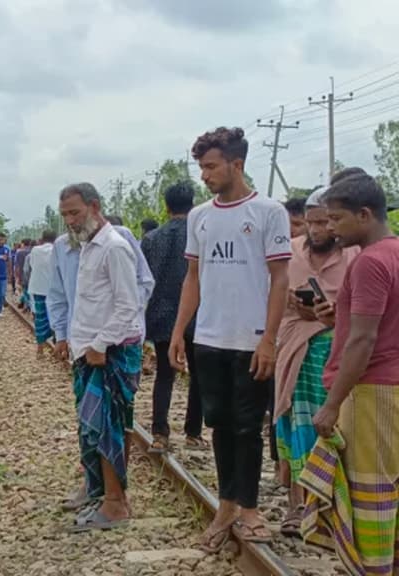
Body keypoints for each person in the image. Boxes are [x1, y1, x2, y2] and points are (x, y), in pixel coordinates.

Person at [169, 127, 291, 550]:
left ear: (236, 165)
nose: (204, 175)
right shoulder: (201, 217)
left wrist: (270, 339)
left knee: (248, 427)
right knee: (219, 423)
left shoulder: (268, 212)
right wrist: (180, 331)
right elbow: (194, 277)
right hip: (210, 337)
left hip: (252, 339)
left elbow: (280, 280)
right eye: (201, 167)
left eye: (210, 166)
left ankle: (251, 508)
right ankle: (226, 505)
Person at [302, 169, 399, 573]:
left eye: (336, 219)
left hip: (369, 392)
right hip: (391, 388)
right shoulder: (394, 252)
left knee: (369, 493)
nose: (330, 228)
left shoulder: (369, 264)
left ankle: (372, 568)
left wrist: (331, 404)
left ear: (364, 214)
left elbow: (363, 340)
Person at [271, 188, 358, 537]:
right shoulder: (290, 252)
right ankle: (298, 506)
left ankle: (334, 508)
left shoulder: (353, 254)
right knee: (297, 426)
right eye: (312, 222)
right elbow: (273, 294)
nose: (318, 229)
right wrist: (293, 302)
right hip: (295, 350)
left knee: (338, 433)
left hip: (338, 353)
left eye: (325, 221)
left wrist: (334, 315)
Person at [58, 183, 141, 532]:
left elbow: (128, 306)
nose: (70, 222)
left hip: (109, 354)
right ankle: (99, 492)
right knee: (92, 427)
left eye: (75, 213)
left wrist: (100, 344)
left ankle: (115, 504)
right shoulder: (88, 247)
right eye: (65, 216)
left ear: (94, 207)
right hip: (90, 353)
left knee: (107, 428)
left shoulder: (114, 247)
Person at [140, 182, 204, 454]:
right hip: (199, 314)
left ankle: (160, 433)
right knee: (199, 376)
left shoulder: (152, 238)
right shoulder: (202, 233)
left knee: (164, 376)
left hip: (163, 315)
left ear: (166, 208)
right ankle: (193, 432)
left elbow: (143, 279)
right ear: (193, 204)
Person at [26, 231, 57, 358]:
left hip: (37, 288)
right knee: (56, 317)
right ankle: (58, 347)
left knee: (40, 318)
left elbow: (32, 265)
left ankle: (40, 349)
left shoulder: (35, 250)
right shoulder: (56, 250)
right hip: (54, 290)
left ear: (42, 239)